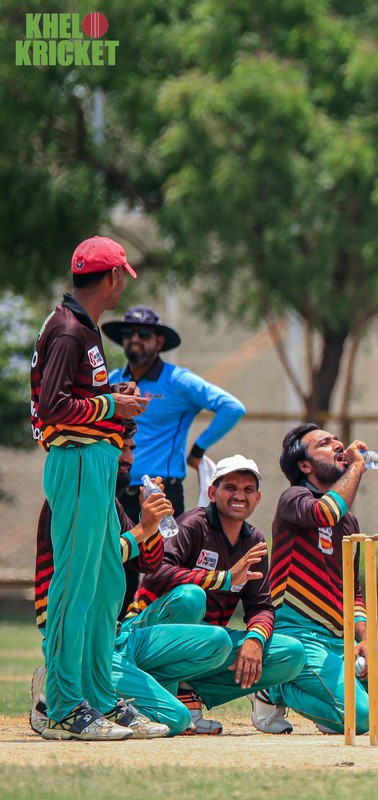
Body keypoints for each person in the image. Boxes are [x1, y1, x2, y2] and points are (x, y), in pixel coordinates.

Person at [30, 235, 150, 740]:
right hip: (77, 461)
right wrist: (112, 406)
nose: (123, 284)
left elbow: (74, 395)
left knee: (106, 583)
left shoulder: (84, 327)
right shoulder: (67, 330)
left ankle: (99, 697)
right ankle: (62, 706)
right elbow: (53, 408)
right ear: (114, 276)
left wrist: (110, 394)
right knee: (75, 585)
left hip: (95, 462)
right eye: (123, 276)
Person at [269, 424, 378, 734]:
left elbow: (354, 591)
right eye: (325, 443)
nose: (338, 445)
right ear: (305, 465)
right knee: (360, 720)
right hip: (300, 636)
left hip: (342, 639)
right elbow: (325, 513)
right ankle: (275, 687)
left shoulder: (348, 521)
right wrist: (358, 466)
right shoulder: (293, 498)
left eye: (336, 439)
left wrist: (364, 637)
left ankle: (336, 696)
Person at [129, 455, 305, 735]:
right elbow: (158, 572)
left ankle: (189, 692)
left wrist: (255, 639)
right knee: (191, 598)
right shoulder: (193, 524)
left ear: (258, 498)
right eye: (230, 487)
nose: (240, 495)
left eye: (248, 489)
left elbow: (261, 606)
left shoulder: (254, 541)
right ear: (212, 492)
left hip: (210, 646)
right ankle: (164, 700)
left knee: (291, 654)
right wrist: (224, 578)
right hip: (148, 636)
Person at [30, 419, 183, 738]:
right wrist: (141, 530)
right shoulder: (71, 493)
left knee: (178, 716)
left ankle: (94, 699)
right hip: (69, 622)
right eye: (120, 448)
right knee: (177, 718)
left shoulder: (110, 503)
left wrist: (150, 522)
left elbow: (148, 562)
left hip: (103, 631)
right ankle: (54, 696)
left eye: (131, 449)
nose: (128, 457)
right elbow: (95, 558)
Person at [104, 305, 246, 612]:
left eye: (144, 334)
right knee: (117, 572)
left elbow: (232, 407)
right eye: (129, 334)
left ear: (158, 341)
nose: (135, 340)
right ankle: (115, 637)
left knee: (162, 571)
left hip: (161, 493)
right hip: (115, 490)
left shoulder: (178, 381)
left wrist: (198, 449)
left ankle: (158, 636)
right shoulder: (114, 380)